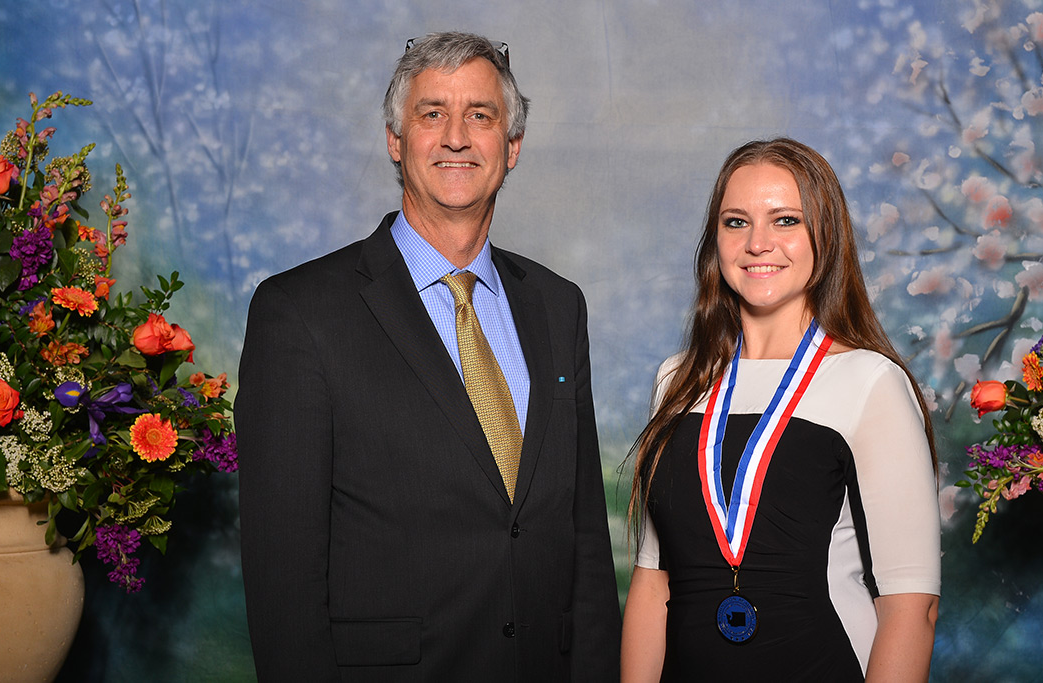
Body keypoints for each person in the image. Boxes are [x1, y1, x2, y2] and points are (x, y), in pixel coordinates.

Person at [237, 32, 620, 682]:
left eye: (481, 115)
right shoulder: (299, 314)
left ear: (512, 147)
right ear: (395, 139)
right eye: (432, 113)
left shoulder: (558, 307)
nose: (456, 137)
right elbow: (284, 588)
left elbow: (582, 541)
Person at [620, 138, 941, 681]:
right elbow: (654, 583)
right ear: (714, 241)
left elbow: (914, 607)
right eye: (736, 222)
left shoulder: (870, 381)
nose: (758, 244)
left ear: (826, 235)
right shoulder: (676, 380)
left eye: (786, 220)